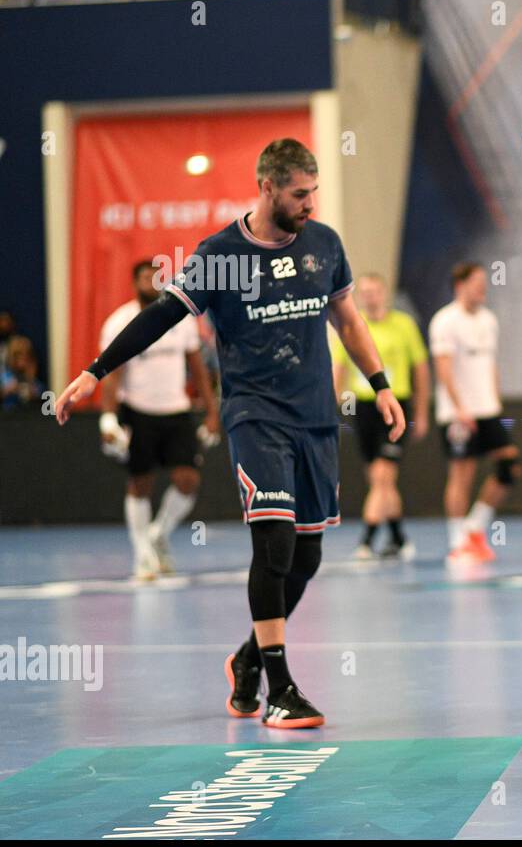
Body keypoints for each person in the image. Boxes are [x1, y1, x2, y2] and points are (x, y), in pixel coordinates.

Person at [55, 138, 405, 729]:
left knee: (307, 553)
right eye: (299, 193)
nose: (310, 204)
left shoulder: (324, 244)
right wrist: (95, 372)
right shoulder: (220, 255)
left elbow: (347, 318)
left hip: (316, 417)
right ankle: (281, 687)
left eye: (314, 191)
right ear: (267, 188)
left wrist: (382, 382)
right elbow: (161, 315)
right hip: (255, 415)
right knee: (273, 545)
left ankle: (247, 659)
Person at [98, 260, 219, 580]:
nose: (150, 281)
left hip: (176, 411)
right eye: (143, 276)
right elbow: (111, 375)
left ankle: (158, 535)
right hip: (138, 412)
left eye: (156, 276)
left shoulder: (181, 320)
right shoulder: (119, 322)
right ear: (133, 281)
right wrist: (108, 419)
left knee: (188, 480)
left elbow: (199, 370)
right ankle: (143, 556)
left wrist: (211, 412)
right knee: (141, 482)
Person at [331, 273, 430, 560]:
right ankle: (398, 538)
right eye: (365, 292)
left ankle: (367, 540)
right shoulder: (352, 326)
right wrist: (329, 410)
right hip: (364, 409)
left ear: (384, 294)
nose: (370, 297)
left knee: (384, 476)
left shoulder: (404, 325)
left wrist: (421, 413)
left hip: (395, 405)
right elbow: (340, 369)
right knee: (378, 479)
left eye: (375, 291)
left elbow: (420, 369)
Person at [429, 261, 521, 564]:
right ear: (460, 285)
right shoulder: (444, 321)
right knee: (462, 474)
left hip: (487, 409)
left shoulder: (488, 320)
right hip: (458, 414)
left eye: (485, 282)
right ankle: (458, 542)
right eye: (477, 282)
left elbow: (490, 364)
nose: (483, 288)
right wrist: (459, 408)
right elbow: (443, 369)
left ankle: (474, 526)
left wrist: (494, 400)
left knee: (509, 467)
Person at [0, 335, 44, 410]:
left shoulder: (32, 375)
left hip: (29, 415)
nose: (23, 358)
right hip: (7, 415)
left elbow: (41, 393)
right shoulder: (5, 375)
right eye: (18, 355)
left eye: (27, 354)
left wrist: (30, 381)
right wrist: (7, 390)